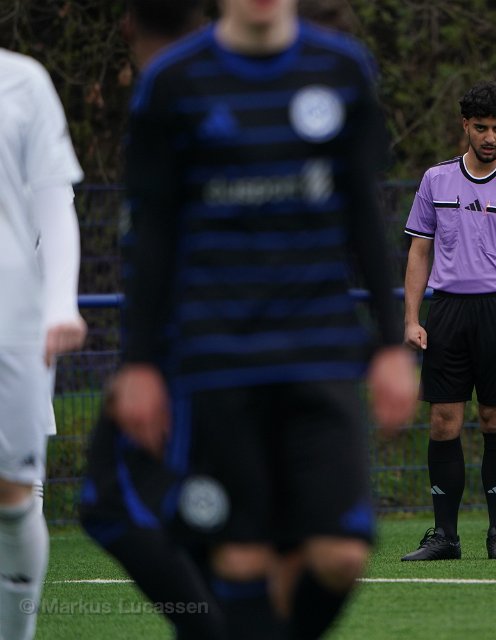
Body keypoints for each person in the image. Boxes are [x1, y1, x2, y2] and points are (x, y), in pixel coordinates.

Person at [106, 1, 418, 638]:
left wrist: (391, 345)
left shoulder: (342, 68)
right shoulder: (172, 82)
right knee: (242, 557)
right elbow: (152, 236)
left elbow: (365, 215)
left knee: (340, 554)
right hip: (217, 360)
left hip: (319, 352)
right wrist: (139, 362)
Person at [79, 3, 230, 639]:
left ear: (126, 28)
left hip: (192, 348)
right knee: (207, 510)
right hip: (237, 342)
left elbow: (155, 249)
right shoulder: (234, 91)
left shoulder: (169, 102)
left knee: (108, 501)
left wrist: (142, 360)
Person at [400, 79, 496, 561]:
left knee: (494, 417)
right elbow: (419, 250)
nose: (490, 137)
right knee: (443, 421)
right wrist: (411, 318)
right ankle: (445, 536)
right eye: (481, 127)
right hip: (447, 311)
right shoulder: (435, 179)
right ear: (465, 125)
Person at [0, 48, 87, 640]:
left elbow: (57, 204)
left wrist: (60, 303)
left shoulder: (23, 82)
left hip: (14, 320)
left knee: (15, 498)